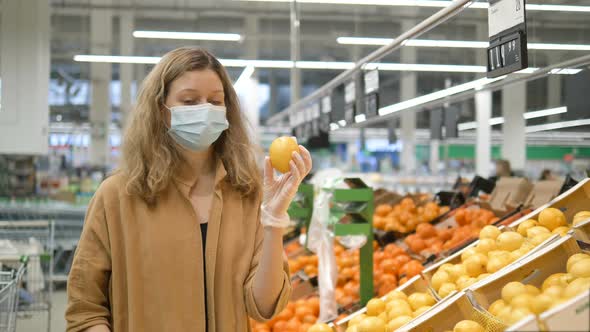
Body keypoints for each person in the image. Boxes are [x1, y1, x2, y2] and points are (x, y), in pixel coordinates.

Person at [65, 47, 312, 332]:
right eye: (189, 100)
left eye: (215, 101)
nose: (204, 110)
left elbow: (264, 307)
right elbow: (85, 310)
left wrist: (274, 220)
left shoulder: (245, 193)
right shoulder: (118, 196)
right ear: (161, 110)